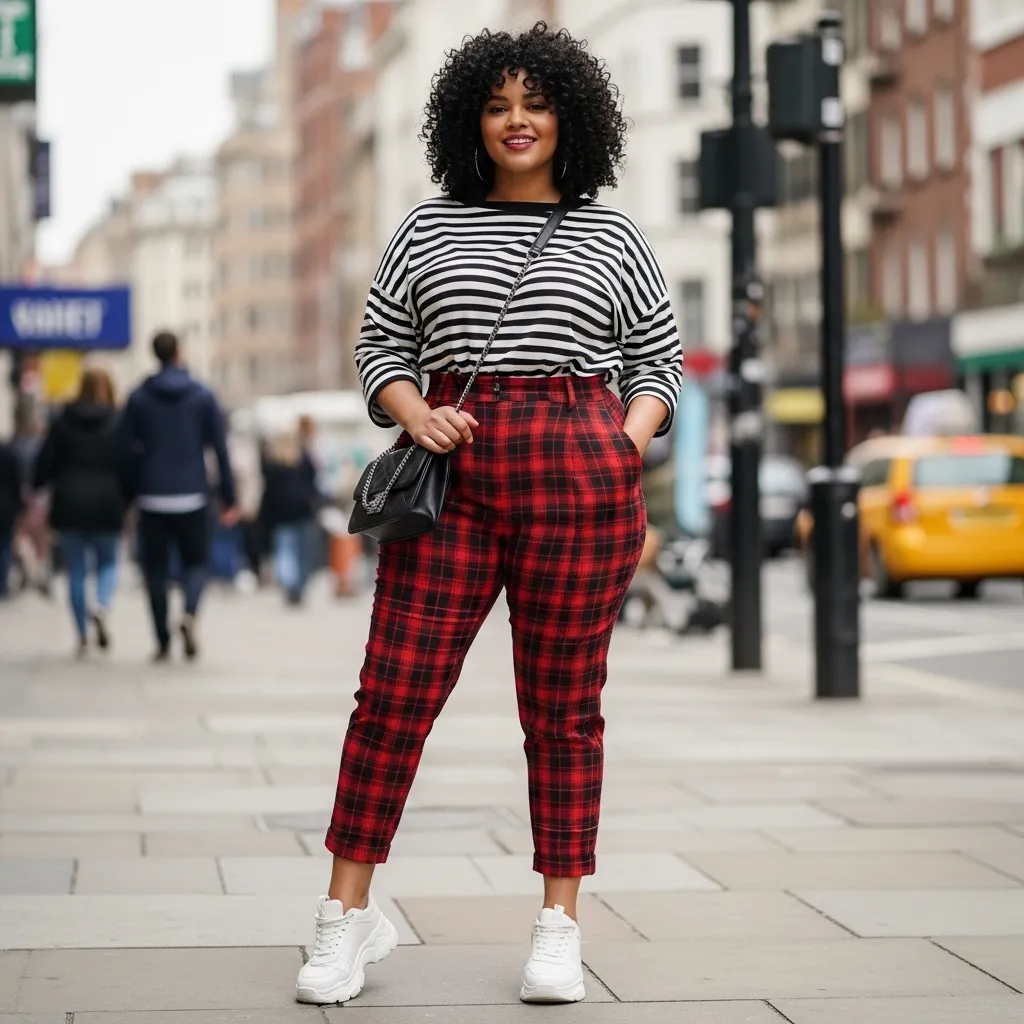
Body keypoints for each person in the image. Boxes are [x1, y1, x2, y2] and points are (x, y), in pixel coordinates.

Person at [295, 23, 683, 1008]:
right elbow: (380, 340)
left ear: (569, 117)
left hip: (579, 471)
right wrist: (412, 409)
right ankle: (345, 919)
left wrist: (620, 444)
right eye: (499, 104)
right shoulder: (429, 227)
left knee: (562, 713)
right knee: (392, 697)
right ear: (473, 119)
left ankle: (559, 926)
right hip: (450, 472)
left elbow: (658, 361)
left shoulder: (612, 233)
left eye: (536, 103)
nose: (517, 121)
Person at [120, 331, 237, 661]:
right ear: (180, 353)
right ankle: (188, 613)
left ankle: (161, 640)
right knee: (197, 564)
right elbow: (220, 450)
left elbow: (124, 451)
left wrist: (130, 494)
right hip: (193, 496)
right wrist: (229, 497)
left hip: (152, 496)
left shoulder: (139, 397)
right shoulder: (202, 395)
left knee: (155, 570)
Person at [33, 368, 127, 655]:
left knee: (75, 570)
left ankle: (82, 635)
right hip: (107, 501)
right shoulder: (118, 421)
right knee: (108, 563)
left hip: (70, 500)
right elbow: (129, 462)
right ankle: (101, 604)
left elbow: (45, 462)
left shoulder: (62, 420)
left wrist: (38, 485)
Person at [259, 428, 322, 605]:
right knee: (302, 552)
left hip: (281, 514)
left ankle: (289, 584)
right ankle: (299, 587)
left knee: (285, 550)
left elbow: (269, 492)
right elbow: (313, 483)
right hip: (302, 510)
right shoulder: (304, 460)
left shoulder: (272, 464)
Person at [0, 435, 23, 599]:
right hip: (6, 506)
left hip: (7, 505)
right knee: (5, 545)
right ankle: (3, 583)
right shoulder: (10, 453)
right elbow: (17, 482)